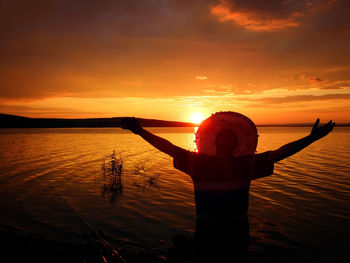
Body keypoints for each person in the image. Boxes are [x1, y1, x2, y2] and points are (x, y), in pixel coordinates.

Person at [121, 115, 335, 262]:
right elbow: (167, 147)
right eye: (221, 138)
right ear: (215, 143)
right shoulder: (198, 163)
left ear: (235, 144)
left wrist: (311, 138)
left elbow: (280, 153)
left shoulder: (246, 164)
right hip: (206, 234)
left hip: (236, 234)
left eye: (229, 139)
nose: (225, 142)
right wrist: (140, 131)